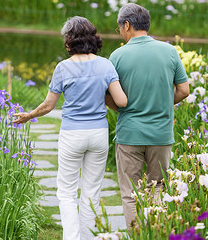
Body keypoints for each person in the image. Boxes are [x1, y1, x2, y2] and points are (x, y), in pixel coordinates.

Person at [13, 16, 128, 240]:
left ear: (69, 41)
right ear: (93, 38)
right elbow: (121, 102)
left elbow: (48, 105)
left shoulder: (63, 68)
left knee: (66, 191)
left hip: (72, 135)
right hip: (98, 135)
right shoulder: (105, 65)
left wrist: (29, 116)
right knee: (91, 191)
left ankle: (72, 237)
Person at [106, 3, 190, 230]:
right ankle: (154, 234)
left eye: (119, 28)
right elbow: (184, 90)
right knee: (158, 188)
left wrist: (122, 108)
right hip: (161, 134)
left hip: (130, 134)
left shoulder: (117, 56)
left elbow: (107, 95)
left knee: (130, 193)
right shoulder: (170, 51)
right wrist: (162, 103)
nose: (120, 33)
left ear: (127, 25)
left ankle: (136, 235)